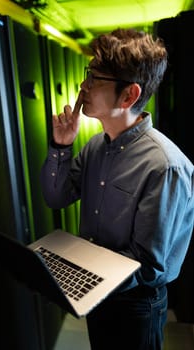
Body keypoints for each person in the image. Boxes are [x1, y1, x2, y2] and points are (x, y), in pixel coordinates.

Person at [40, 28, 194, 350]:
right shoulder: (96, 146)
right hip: (99, 297)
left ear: (128, 95)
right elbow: (56, 197)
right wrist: (60, 146)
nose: (84, 86)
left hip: (136, 307)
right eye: (88, 74)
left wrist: (80, 273)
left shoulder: (166, 166)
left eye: (95, 78)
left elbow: (149, 268)